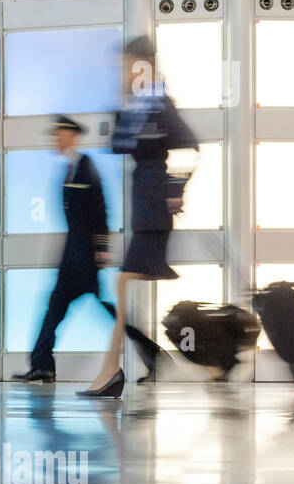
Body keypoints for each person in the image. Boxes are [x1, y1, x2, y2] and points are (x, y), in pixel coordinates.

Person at [80, 36, 198, 399]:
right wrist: (124, 100)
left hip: (155, 210)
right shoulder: (137, 108)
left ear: (145, 65)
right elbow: (118, 145)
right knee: (124, 284)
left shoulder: (161, 105)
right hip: (144, 208)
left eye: (129, 66)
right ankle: (149, 359)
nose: (125, 73)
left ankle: (112, 371)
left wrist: (176, 190)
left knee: (122, 283)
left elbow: (190, 146)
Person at [11, 115, 161, 385]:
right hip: (73, 255)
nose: (56, 140)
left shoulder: (86, 166)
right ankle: (42, 364)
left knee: (92, 309)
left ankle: (152, 354)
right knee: (57, 307)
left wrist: (101, 250)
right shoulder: (69, 168)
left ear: (71, 135)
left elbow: (101, 210)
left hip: (84, 258)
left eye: (59, 134)